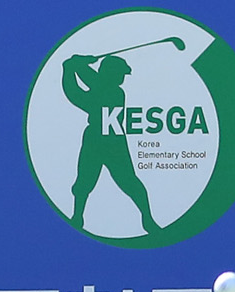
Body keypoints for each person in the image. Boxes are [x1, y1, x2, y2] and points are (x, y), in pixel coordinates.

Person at [60, 52, 162, 232]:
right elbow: (79, 90)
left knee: (130, 182)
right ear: (110, 74)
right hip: (97, 140)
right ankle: (77, 217)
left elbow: (77, 92)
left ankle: (148, 219)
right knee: (84, 182)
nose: (122, 77)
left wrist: (73, 65)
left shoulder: (115, 93)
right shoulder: (104, 86)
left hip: (112, 141)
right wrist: (73, 66)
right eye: (120, 74)